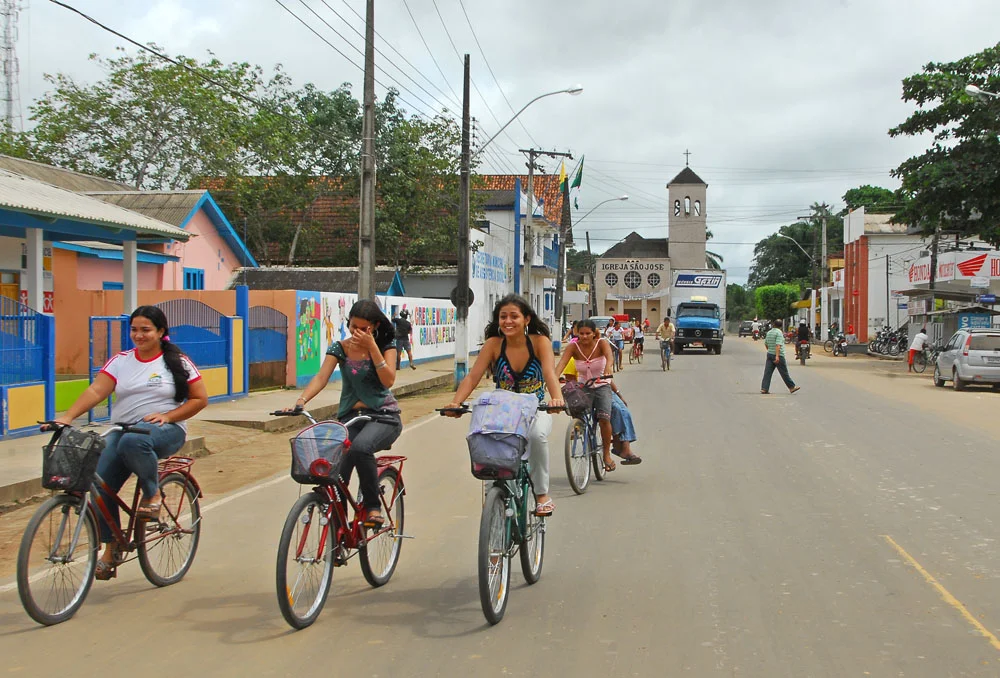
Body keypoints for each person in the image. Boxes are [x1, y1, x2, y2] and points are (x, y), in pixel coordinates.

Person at [47, 306, 208, 580]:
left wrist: (168, 416)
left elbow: (199, 399)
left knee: (133, 442)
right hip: (123, 430)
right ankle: (112, 549)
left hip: (165, 430)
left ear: (160, 332)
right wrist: (67, 418)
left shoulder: (177, 362)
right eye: (134, 329)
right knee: (98, 485)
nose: (139, 335)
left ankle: (153, 494)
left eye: (146, 330)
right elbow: (97, 389)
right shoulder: (121, 361)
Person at [445, 295, 565, 516]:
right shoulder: (493, 345)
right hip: (502, 411)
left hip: (535, 409)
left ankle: (541, 494)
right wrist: (456, 402)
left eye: (514, 316)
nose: (508, 321)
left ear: (526, 319)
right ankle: (494, 512)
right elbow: (473, 377)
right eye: (503, 317)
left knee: (538, 436)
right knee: (485, 438)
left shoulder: (540, 342)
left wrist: (556, 399)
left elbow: (549, 373)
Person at [290, 300, 402, 528]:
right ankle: (338, 527)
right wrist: (301, 401)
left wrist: (372, 347)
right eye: (353, 327)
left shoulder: (386, 346)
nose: (357, 332)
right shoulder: (340, 348)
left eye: (363, 329)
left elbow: (388, 380)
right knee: (335, 463)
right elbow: (321, 378)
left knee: (361, 448)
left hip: (384, 417)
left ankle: (372, 507)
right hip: (350, 417)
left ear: (375, 326)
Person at [555, 319, 617, 472]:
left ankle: (607, 454)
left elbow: (609, 357)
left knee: (604, 418)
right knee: (577, 409)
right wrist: (553, 378)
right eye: (581, 333)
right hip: (584, 386)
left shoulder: (602, 343)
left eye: (587, 333)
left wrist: (608, 367)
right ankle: (579, 428)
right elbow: (562, 363)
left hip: (602, 385)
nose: (584, 336)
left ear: (594, 333)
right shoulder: (573, 347)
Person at [761, 318, 800, 395]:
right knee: (784, 372)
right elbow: (778, 345)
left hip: (770, 354)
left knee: (767, 372)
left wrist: (770, 350)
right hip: (778, 355)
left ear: (773, 325)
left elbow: (766, 343)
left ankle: (764, 388)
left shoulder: (769, 332)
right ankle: (791, 387)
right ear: (781, 326)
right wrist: (777, 356)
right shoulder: (779, 333)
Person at [609, 387, 641, 465]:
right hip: (589, 390)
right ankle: (617, 443)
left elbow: (608, 380)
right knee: (616, 409)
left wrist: (619, 394)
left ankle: (625, 447)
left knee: (625, 412)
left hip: (604, 388)